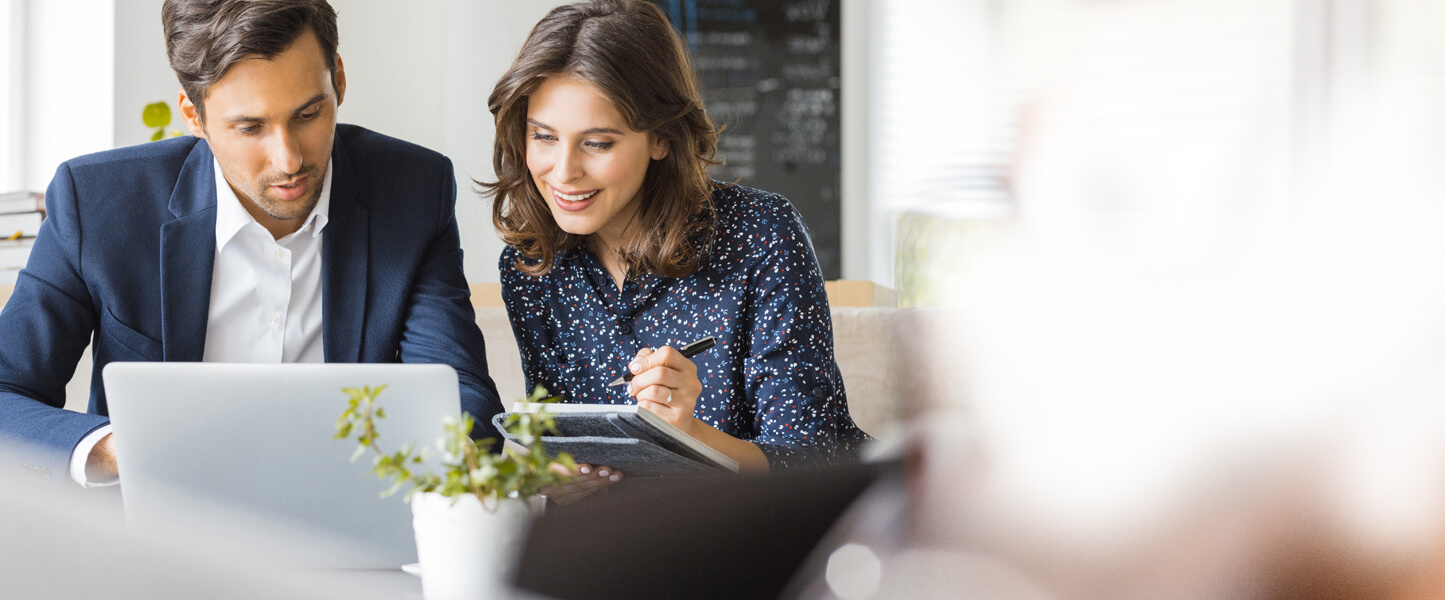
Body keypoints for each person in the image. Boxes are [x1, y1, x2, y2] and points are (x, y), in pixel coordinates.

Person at [0, 0, 503, 488]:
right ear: (194, 117)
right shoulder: (97, 204)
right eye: (250, 128)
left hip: (351, 530)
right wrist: (116, 449)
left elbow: (463, 398)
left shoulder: (413, 190)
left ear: (339, 81)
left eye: (308, 115)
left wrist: (426, 457)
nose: (288, 159)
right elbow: (6, 393)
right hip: (154, 539)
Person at [486, 0, 866, 489]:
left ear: (661, 139)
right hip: (647, 544)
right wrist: (560, 481)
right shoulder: (531, 270)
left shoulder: (763, 234)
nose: (563, 172)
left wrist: (687, 434)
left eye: (598, 143)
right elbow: (562, 447)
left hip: (799, 532)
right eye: (543, 136)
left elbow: (812, 461)